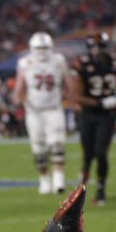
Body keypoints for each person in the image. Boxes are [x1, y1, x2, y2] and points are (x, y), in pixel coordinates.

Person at [69, 32, 116, 205]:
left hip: (108, 115)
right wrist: (100, 102)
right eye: (93, 47)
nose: (97, 51)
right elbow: (76, 95)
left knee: (101, 152)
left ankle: (100, 191)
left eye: (100, 47)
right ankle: (81, 190)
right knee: (88, 154)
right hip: (89, 112)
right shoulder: (82, 64)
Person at [12, 32, 70, 194]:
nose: (42, 51)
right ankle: (44, 179)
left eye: (45, 47)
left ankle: (59, 179)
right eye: (39, 48)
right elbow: (20, 86)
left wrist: (72, 100)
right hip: (34, 111)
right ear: (32, 48)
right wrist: (17, 103)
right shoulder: (25, 62)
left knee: (57, 143)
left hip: (53, 108)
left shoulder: (58, 60)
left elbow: (67, 83)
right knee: (39, 148)